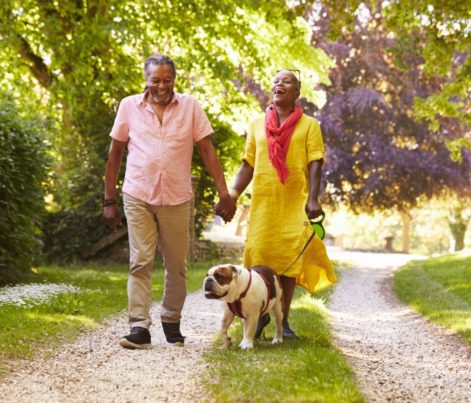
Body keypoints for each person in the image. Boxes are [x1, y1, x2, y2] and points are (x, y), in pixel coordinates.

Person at [103, 53, 236, 349]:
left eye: (167, 80)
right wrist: (108, 199)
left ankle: (171, 320)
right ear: (146, 80)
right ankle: (139, 327)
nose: (162, 86)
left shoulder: (190, 107)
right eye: (156, 80)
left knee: (176, 264)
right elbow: (115, 154)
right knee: (140, 261)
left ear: (175, 79)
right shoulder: (129, 106)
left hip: (176, 198)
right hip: (138, 194)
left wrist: (223, 192)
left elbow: (207, 150)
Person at [226, 69, 336, 338]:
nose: (279, 85)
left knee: (288, 263)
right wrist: (232, 195)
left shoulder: (310, 125)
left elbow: (315, 163)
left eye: (286, 81)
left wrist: (313, 198)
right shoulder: (256, 125)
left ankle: (282, 322)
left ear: (297, 92)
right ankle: (259, 315)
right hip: (263, 203)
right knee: (259, 258)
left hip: (293, 203)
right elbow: (247, 164)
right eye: (276, 81)